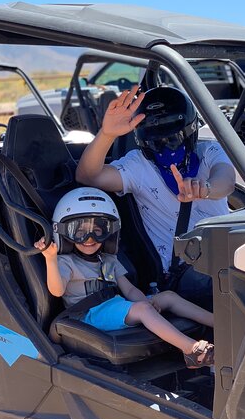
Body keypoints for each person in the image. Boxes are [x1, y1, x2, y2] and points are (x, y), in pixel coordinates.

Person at [75, 85, 235, 311]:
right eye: (156, 142)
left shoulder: (209, 151)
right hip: (187, 271)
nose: (166, 148)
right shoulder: (138, 166)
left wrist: (205, 188)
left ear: (190, 132)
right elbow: (87, 176)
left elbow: (226, 181)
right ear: (142, 141)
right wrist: (107, 134)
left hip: (227, 254)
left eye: (173, 138)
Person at [35, 187, 214, 368]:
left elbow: (128, 289)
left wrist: (148, 302)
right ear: (65, 233)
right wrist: (50, 259)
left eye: (98, 231)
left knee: (167, 297)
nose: (90, 239)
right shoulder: (66, 263)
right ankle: (191, 350)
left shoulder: (108, 259)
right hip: (88, 315)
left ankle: (218, 323)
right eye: (80, 232)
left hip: (114, 304)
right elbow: (57, 291)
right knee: (143, 310)